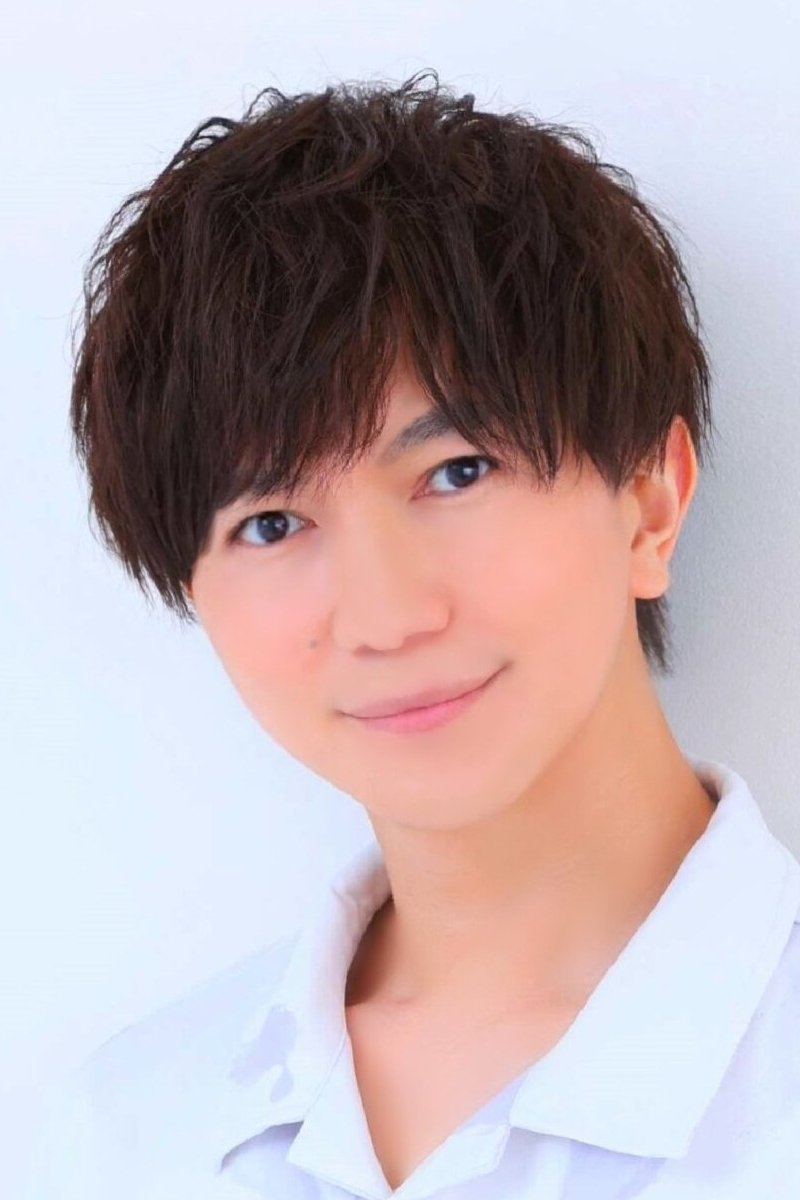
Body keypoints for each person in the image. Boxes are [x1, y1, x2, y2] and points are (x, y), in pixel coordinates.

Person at [24, 69, 800, 1198]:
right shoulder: (127, 1133)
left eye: (456, 471)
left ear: (649, 500)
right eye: (272, 523)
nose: (387, 618)